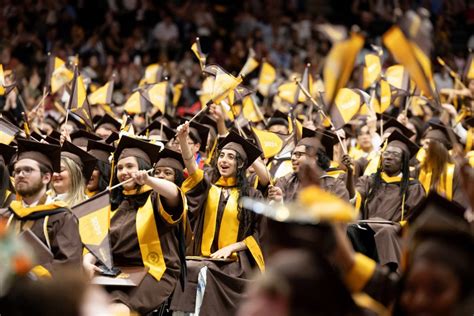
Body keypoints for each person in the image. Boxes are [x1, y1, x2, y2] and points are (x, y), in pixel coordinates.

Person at [82, 135, 186, 315]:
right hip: (116, 273)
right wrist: (87, 261)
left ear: (144, 169)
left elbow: (174, 194)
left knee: (116, 311)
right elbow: (100, 241)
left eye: (130, 166)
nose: (124, 171)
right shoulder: (114, 203)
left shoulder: (156, 198)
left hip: (154, 272)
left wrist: (149, 181)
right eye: (120, 167)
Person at [170, 124, 266, 316]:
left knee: (202, 272)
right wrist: (182, 139)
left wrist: (232, 248)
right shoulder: (208, 188)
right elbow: (192, 166)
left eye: (231, 157)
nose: (224, 160)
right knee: (187, 269)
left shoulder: (252, 195)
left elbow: (260, 233)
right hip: (202, 256)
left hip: (235, 264)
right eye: (222, 155)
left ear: (240, 164)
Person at [344, 130, 426, 271]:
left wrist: (399, 227)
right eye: (386, 153)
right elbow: (354, 198)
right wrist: (350, 174)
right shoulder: (369, 180)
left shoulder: (413, 186)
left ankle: (389, 276)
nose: (388, 157)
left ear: (403, 162)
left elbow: (415, 218)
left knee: (385, 232)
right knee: (349, 229)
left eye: (395, 154)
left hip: (395, 232)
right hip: (367, 228)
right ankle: (353, 272)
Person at [0, 139, 82, 276]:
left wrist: (26, 271)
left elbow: (68, 266)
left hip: (41, 293)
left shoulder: (62, 218)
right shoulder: (6, 216)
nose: (20, 175)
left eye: (28, 170)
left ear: (46, 178)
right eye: (17, 171)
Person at [269, 130, 349, 203]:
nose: (293, 158)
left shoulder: (335, 186)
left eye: (298, 155)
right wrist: (279, 202)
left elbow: (340, 215)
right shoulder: (285, 182)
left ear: (314, 158)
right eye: (293, 154)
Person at [51, 141, 96, 207]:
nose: (55, 174)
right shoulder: (45, 202)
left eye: (60, 169)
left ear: (75, 174)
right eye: (53, 170)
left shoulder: (87, 206)